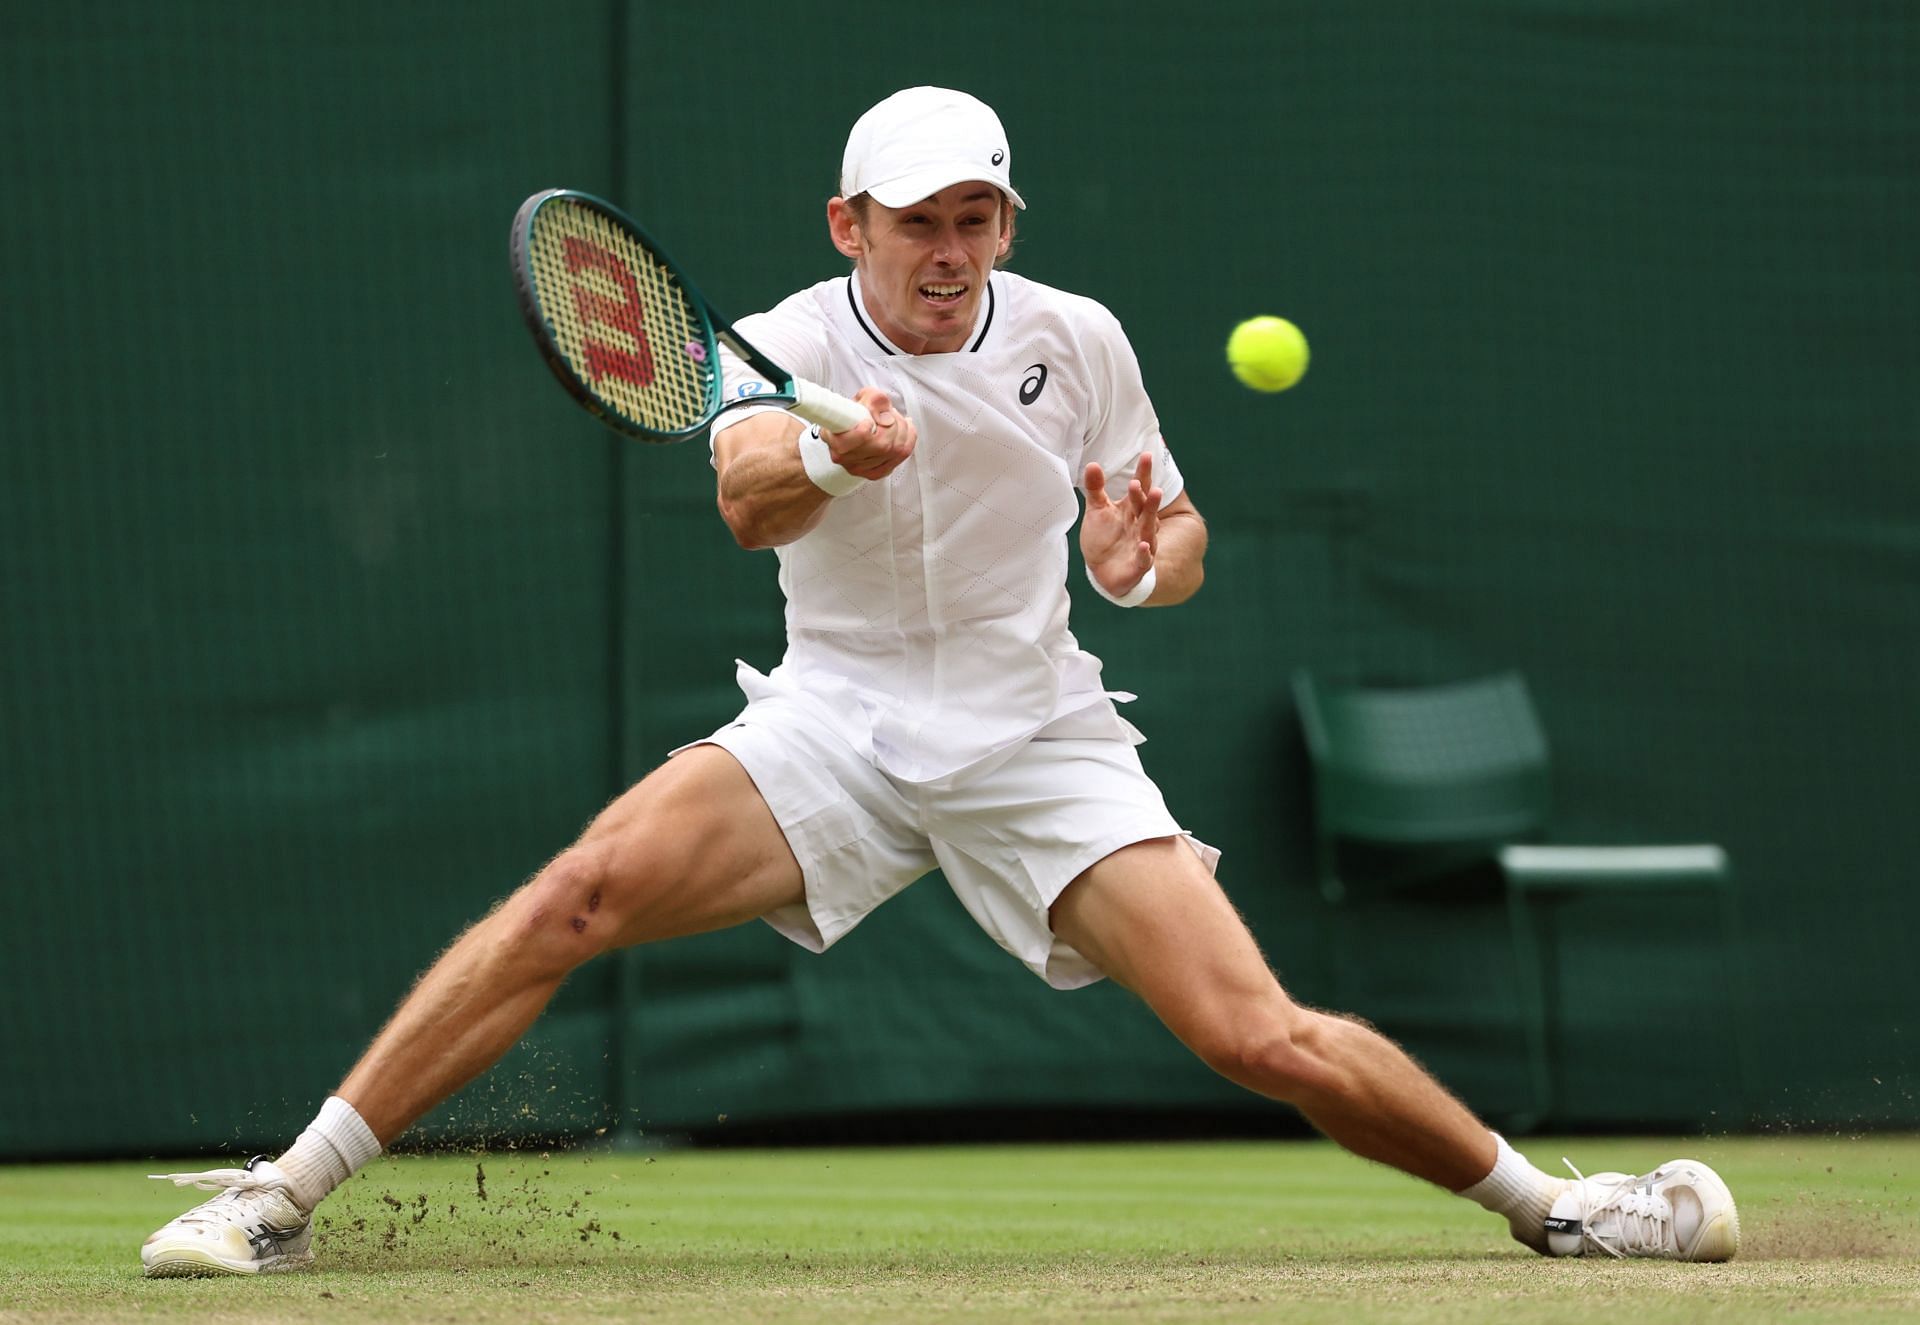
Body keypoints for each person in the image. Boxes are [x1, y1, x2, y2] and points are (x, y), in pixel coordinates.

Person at [140, 86, 1738, 1277]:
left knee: (1259, 1036)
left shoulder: (1078, 339)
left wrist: (1136, 554)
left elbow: (1168, 543)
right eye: (919, 222)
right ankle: (278, 1194)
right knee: (578, 892)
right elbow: (749, 490)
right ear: (852, 229)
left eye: (977, 219)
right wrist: (843, 459)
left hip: (1037, 728)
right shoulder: (779, 342)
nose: (952, 251)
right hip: (833, 723)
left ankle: (1567, 1209)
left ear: (1006, 227)